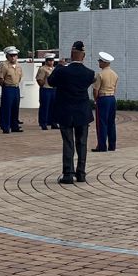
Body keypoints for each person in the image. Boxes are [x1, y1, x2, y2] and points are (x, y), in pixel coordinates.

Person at [49, 41, 96, 184]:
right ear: (84, 55)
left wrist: (58, 67)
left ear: (71, 54)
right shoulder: (89, 73)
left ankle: (68, 174)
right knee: (82, 143)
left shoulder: (62, 71)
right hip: (82, 112)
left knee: (68, 142)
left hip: (66, 112)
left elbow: (51, 82)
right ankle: (81, 173)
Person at [91, 51, 118, 152]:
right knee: (111, 123)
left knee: (101, 123)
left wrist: (95, 100)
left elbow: (95, 90)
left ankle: (102, 146)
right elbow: (115, 89)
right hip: (112, 98)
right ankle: (112, 146)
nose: (99, 63)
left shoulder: (100, 74)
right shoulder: (115, 74)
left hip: (103, 99)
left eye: (100, 61)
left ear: (105, 63)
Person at [0, 46, 24, 133]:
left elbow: (20, 77)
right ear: (7, 56)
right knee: (6, 108)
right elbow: (0, 77)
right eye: (11, 55)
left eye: (15, 55)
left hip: (16, 88)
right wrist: (4, 85)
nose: (13, 57)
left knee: (15, 107)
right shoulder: (4, 65)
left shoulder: (18, 66)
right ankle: (5, 126)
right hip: (8, 87)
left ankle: (14, 125)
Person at [36, 53, 58, 130]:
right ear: (46, 61)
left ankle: (53, 122)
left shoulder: (55, 69)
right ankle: (43, 123)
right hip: (46, 89)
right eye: (49, 60)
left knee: (54, 107)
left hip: (54, 89)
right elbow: (39, 79)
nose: (51, 62)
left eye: (52, 60)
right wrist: (42, 85)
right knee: (45, 107)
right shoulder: (43, 69)